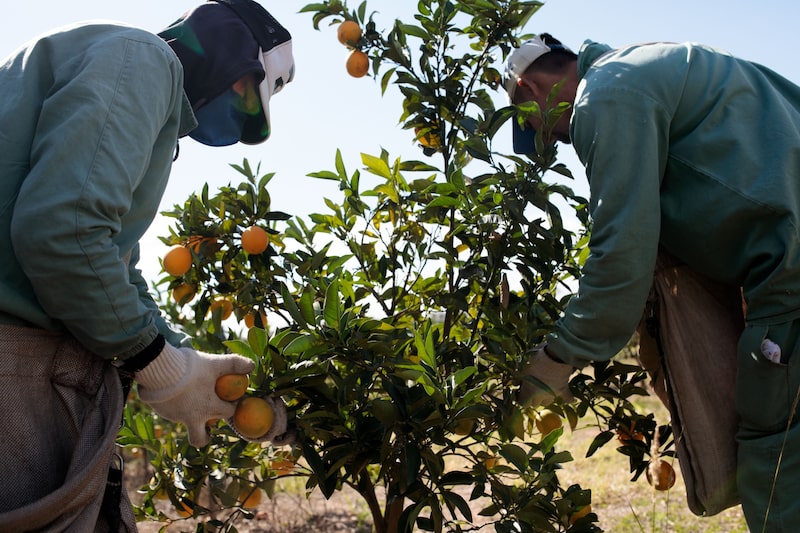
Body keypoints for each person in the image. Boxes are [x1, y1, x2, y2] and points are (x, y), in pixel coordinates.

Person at [0, 0, 295, 530]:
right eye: (248, 94)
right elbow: (65, 234)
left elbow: (113, 260)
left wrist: (184, 360)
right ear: (236, 65)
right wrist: (156, 361)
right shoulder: (144, 61)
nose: (240, 109)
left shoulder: (118, 66)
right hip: (14, 365)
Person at [502, 33, 800, 531]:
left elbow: (621, 257)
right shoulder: (660, 64)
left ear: (530, 87)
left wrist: (556, 360)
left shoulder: (607, 96)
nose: (555, 140)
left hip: (790, 285)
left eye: (539, 128)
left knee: (778, 469)